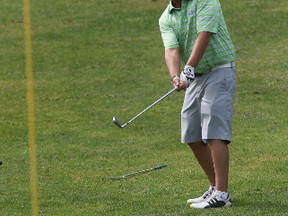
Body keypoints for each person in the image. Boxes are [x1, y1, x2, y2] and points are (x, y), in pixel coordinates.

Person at [159, 0, 236, 209]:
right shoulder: (167, 17)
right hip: (195, 78)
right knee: (192, 133)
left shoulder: (206, 1)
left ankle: (222, 194)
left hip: (219, 70)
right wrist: (176, 76)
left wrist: (189, 68)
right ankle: (214, 187)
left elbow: (205, 34)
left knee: (214, 132)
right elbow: (172, 49)